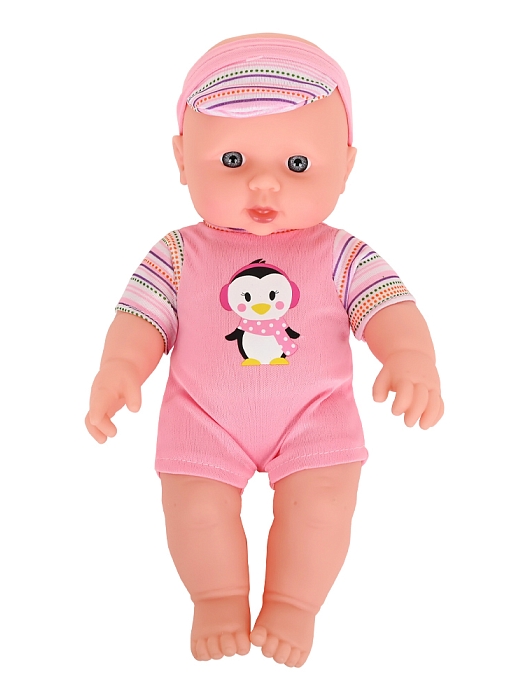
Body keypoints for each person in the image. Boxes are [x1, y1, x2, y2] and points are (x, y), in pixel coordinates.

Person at [86, 33, 443, 668]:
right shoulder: (177, 253)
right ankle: (217, 598)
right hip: (202, 418)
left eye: (298, 165)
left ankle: (293, 604)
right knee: (195, 508)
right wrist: (119, 369)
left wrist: (410, 358)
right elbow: (139, 317)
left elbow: (389, 306)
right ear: (182, 157)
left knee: (323, 506)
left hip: (316, 418)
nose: (263, 183)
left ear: (346, 167)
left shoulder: (341, 253)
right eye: (231, 160)